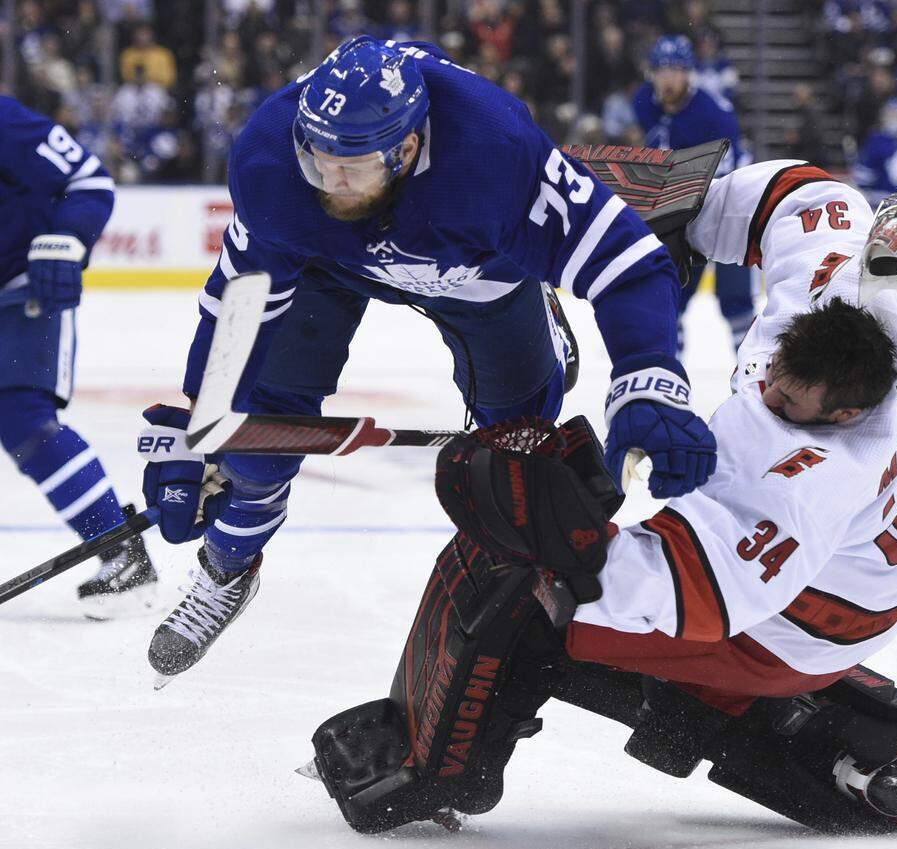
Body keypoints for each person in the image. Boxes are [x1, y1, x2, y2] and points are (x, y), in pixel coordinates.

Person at [298, 162, 897, 835]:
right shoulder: (841, 300)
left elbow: (684, 597)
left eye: (788, 402)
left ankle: (441, 773)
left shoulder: (811, 477)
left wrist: (560, 532)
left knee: (530, 602)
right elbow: (810, 196)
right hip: (836, 569)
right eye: (772, 377)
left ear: (841, 416)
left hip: (805, 624)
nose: (769, 394)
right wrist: (691, 207)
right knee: (528, 574)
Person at [138, 38, 717, 686]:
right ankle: (228, 564)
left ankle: (539, 331)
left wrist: (648, 383)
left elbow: (631, 262)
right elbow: (239, 307)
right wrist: (200, 421)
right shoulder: (273, 157)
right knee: (255, 435)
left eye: (352, 168)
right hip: (327, 264)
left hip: (476, 274)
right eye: (319, 160)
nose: (331, 182)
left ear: (408, 147)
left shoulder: (492, 155)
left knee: (517, 445)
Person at [0, 96, 158, 618]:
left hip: (21, 287)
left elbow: (87, 182)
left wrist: (67, 238)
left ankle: (119, 550)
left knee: (24, 419)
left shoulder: (6, 121)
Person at [634, 34, 755, 350]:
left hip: (727, 205)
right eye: (661, 70)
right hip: (678, 209)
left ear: (689, 73)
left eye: (675, 69)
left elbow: (726, 175)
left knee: (736, 301)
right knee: (668, 295)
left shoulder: (714, 113)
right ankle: (666, 370)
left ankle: (753, 373)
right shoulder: (644, 100)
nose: (667, 78)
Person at [853, 98, 897, 206]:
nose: (895, 118)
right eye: (891, 114)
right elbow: (864, 177)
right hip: (884, 202)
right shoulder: (876, 140)